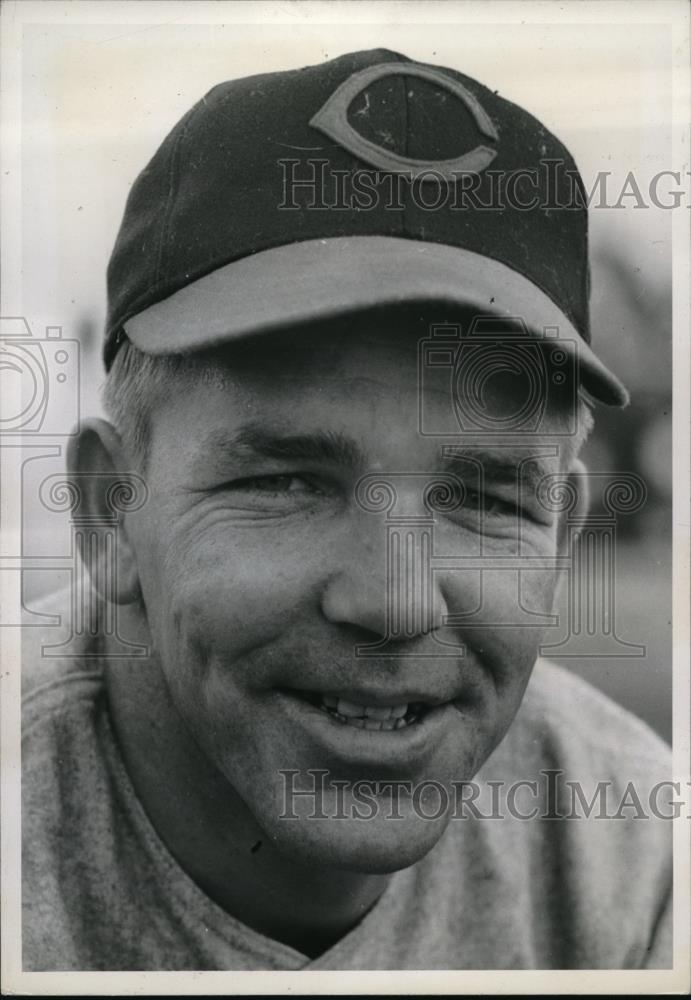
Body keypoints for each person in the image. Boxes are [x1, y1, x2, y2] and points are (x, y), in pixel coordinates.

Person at [22, 48, 672, 971]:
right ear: (111, 510)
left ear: (560, 538)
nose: (395, 602)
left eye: (482, 498)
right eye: (287, 481)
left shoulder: (633, 862)